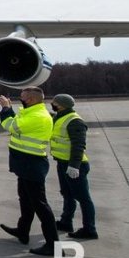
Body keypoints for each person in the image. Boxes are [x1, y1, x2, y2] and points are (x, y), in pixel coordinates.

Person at [0, 87, 60, 256]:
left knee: (40, 205)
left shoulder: (37, 116)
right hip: (24, 164)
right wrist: (10, 109)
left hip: (32, 164)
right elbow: (18, 122)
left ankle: (53, 245)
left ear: (31, 100)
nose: (21, 99)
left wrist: (5, 108)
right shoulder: (30, 112)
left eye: (23, 97)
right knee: (25, 200)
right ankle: (22, 230)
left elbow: (10, 126)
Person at [50, 94, 98, 240]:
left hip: (75, 165)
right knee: (67, 194)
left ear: (61, 105)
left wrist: (74, 166)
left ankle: (90, 229)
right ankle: (66, 222)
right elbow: (52, 119)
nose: (52, 104)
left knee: (83, 198)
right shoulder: (60, 117)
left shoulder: (75, 121)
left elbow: (79, 145)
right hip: (62, 162)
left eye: (54, 102)